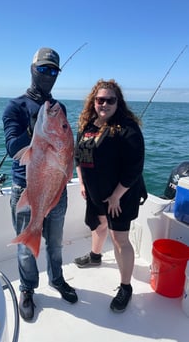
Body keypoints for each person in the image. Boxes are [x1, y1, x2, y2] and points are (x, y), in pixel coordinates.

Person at [2, 48, 78, 321]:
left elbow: (66, 147)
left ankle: (57, 279)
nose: (48, 75)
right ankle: (27, 289)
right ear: (32, 69)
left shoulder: (57, 108)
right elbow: (13, 147)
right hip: (27, 187)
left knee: (56, 243)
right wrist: (35, 132)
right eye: (43, 69)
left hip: (55, 187)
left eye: (53, 71)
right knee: (26, 247)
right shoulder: (16, 106)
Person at [73, 79, 147, 313]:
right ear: (93, 101)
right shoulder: (88, 124)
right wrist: (82, 182)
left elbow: (135, 167)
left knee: (120, 240)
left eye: (110, 100)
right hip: (95, 190)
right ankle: (95, 256)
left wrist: (116, 196)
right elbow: (79, 155)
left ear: (118, 102)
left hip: (121, 195)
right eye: (100, 99)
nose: (104, 104)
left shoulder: (127, 127)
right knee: (98, 225)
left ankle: (126, 287)